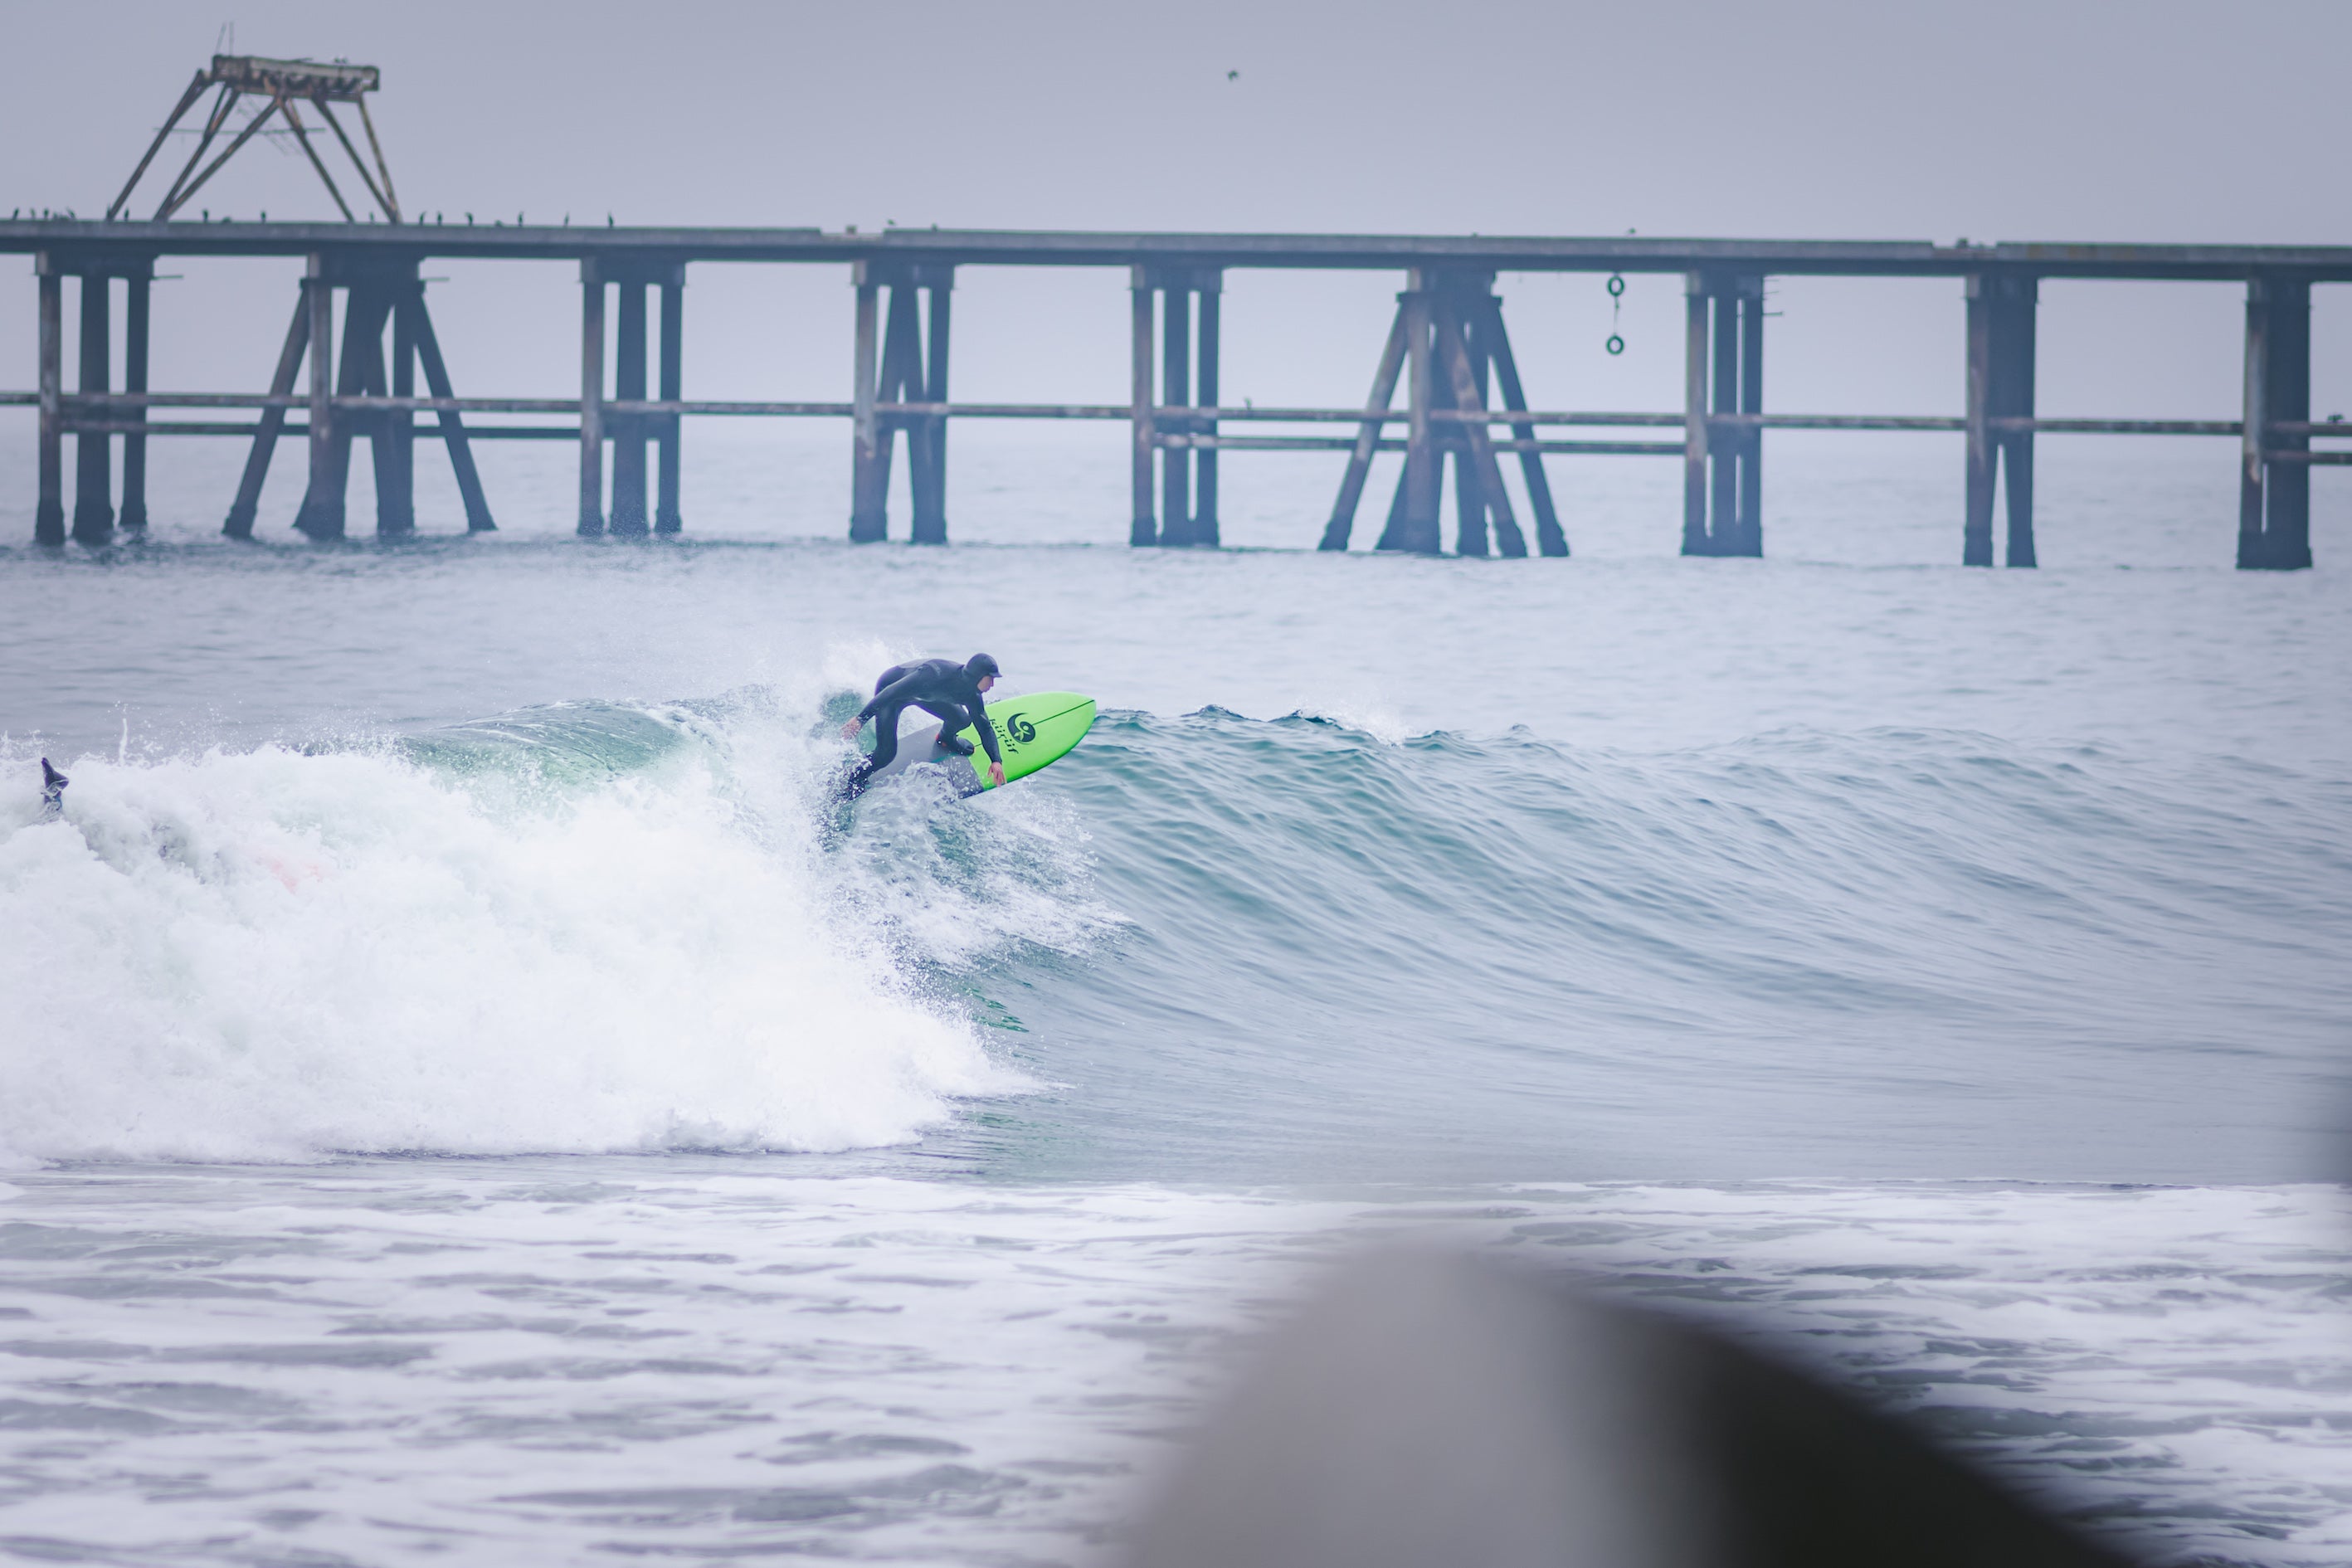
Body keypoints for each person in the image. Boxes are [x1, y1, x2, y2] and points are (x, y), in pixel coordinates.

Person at [839, 653, 1006, 797]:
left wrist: (996, 761)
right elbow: (891, 692)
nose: (992, 684)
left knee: (962, 719)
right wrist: (861, 718)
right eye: (990, 678)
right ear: (977, 675)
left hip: (923, 695)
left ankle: (946, 738)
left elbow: (984, 726)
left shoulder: (972, 694)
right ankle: (854, 779)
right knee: (886, 754)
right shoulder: (934, 674)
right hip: (892, 692)